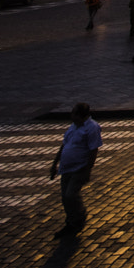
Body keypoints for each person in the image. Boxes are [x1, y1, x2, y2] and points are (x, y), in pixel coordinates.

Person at [49, 102, 102, 238]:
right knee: (65, 197)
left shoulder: (92, 128)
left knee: (70, 195)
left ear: (80, 116)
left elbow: (93, 150)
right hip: (66, 168)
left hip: (80, 167)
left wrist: (88, 169)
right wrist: (55, 163)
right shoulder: (73, 127)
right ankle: (71, 222)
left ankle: (79, 216)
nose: (71, 116)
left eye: (73, 113)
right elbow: (64, 145)